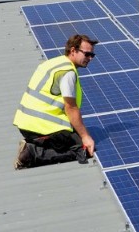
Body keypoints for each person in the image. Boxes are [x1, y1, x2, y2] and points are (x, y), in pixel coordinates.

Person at [12, 34, 98, 169]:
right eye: (87, 54)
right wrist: (86, 136)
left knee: (76, 136)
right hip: (39, 126)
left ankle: (37, 144)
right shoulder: (67, 72)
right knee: (83, 149)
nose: (90, 58)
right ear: (73, 50)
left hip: (26, 121)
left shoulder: (54, 62)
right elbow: (71, 107)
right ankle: (31, 153)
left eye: (92, 55)